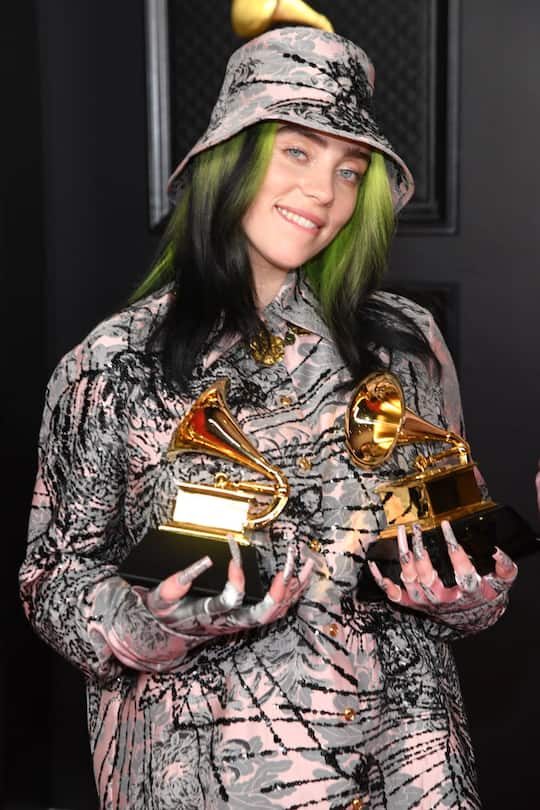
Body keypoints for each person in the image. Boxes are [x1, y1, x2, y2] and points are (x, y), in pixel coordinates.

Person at [20, 25, 518, 810]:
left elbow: (456, 531)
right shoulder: (110, 363)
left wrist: (468, 591)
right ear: (233, 157)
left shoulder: (407, 341)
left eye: (350, 170)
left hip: (410, 771)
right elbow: (52, 582)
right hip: (213, 779)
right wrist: (152, 620)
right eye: (297, 152)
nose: (324, 192)